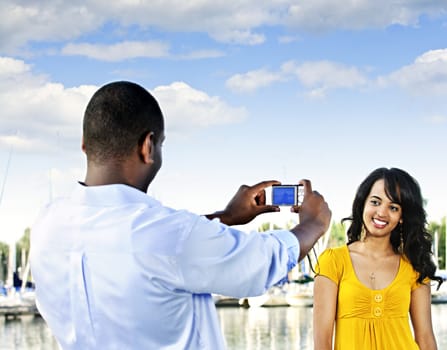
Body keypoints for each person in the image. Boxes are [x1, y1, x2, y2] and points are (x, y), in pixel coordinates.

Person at [30, 81, 331, 349]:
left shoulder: (47, 225)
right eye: (160, 145)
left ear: (85, 145)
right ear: (147, 146)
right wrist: (314, 222)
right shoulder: (169, 235)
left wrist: (225, 217)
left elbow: (143, 248)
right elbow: (262, 261)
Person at [313, 167, 442, 350]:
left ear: (402, 217)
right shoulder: (332, 261)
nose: (382, 213)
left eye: (393, 207)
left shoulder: (415, 266)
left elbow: (426, 338)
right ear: (362, 204)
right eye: (375, 202)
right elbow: (322, 343)